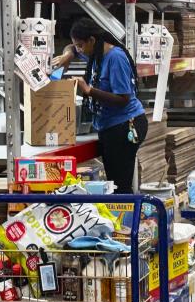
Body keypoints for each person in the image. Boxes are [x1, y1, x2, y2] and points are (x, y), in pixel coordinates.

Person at [53, 18, 147, 194]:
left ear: (92, 40)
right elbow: (71, 48)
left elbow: (123, 98)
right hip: (109, 126)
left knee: (120, 185)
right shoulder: (95, 53)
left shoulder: (115, 57)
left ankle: (125, 220)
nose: (79, 49)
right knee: (114, 183)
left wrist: (89, 90)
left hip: (125, 125)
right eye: (77, 46)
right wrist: (68, 55)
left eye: (81, 45)